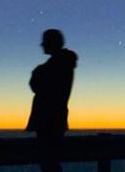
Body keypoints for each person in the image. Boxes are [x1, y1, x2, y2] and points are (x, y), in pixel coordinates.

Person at [26, 28, 77, 172]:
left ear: (51, 43)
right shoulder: (62, 63)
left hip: (49, 120)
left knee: (48, 162)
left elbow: (38, 86)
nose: (42, 45)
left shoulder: (58, 64)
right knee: (50, 162)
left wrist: (37, 72)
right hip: (54, 119)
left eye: (45, 42)